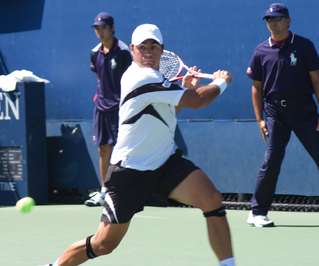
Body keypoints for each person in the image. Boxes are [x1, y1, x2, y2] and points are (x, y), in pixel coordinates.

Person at [38, 24, 236, 266]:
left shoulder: (157, 79)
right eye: (142, 47)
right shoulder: (140, 77)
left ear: (162, 50)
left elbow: (169, 109)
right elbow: (198, 101)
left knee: (212, 199)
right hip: (130, 172)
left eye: (154, 47)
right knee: (103, 245)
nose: (148, 52)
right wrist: (221, 82)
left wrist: (184, 89)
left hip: (165, 162)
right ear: (132, 49)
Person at [246, 3, 319, 227]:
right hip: (275, 112)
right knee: (271, 161)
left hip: (304, 111)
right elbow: (256, 88)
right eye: (269, 19)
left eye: (277, 18)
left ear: (288, 21)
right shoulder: (260, 51)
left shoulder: (305, 46)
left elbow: (316, 80)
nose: (273, 22)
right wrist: (260, 119)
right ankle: (257, 212)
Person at [85, 12, 132, 206]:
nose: (100, 32)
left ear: (112, 28)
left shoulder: (123, 51)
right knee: (103, 149)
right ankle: (104, 191)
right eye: (97, 28)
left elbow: (131, 79)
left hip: (121, 108)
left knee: (125, 151)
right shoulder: (94, 52)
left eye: (103, 28)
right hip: (101, 108)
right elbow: (99, 79)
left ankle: (127, 191)